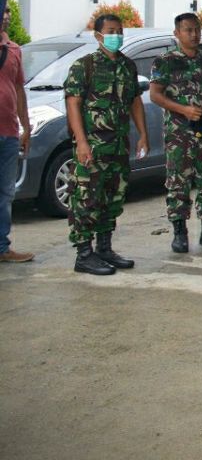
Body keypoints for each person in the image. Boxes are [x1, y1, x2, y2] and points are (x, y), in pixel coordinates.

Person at [62, 14, 150, 274]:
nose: (117, 36)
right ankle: (84, 254)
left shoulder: (127, 66)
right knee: (86, 198)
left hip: (118, 146)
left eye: (120, 31)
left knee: (113, 197)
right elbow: (73, 104)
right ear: (98, 35)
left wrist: (143, 134)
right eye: (111, 31)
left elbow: (134, 101)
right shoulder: (84, 66)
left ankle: (104, 248)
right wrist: (81, 142)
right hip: (93, 147)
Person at [150, 13, 202, 253]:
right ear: (177, 34)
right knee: (178, 181)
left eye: (197, 30)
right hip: (179, 132)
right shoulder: (165, 61)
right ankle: (179, 232)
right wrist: (182, 109)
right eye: (188, 30)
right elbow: (155, 95)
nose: (194, 35)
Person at [0, 7, 34, 263]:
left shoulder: (14, 49)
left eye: (9, 13)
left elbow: (19, 89)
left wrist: (26, 125)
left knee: (6, 192)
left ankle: (2, 247)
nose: (6, 17)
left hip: (9, 131)